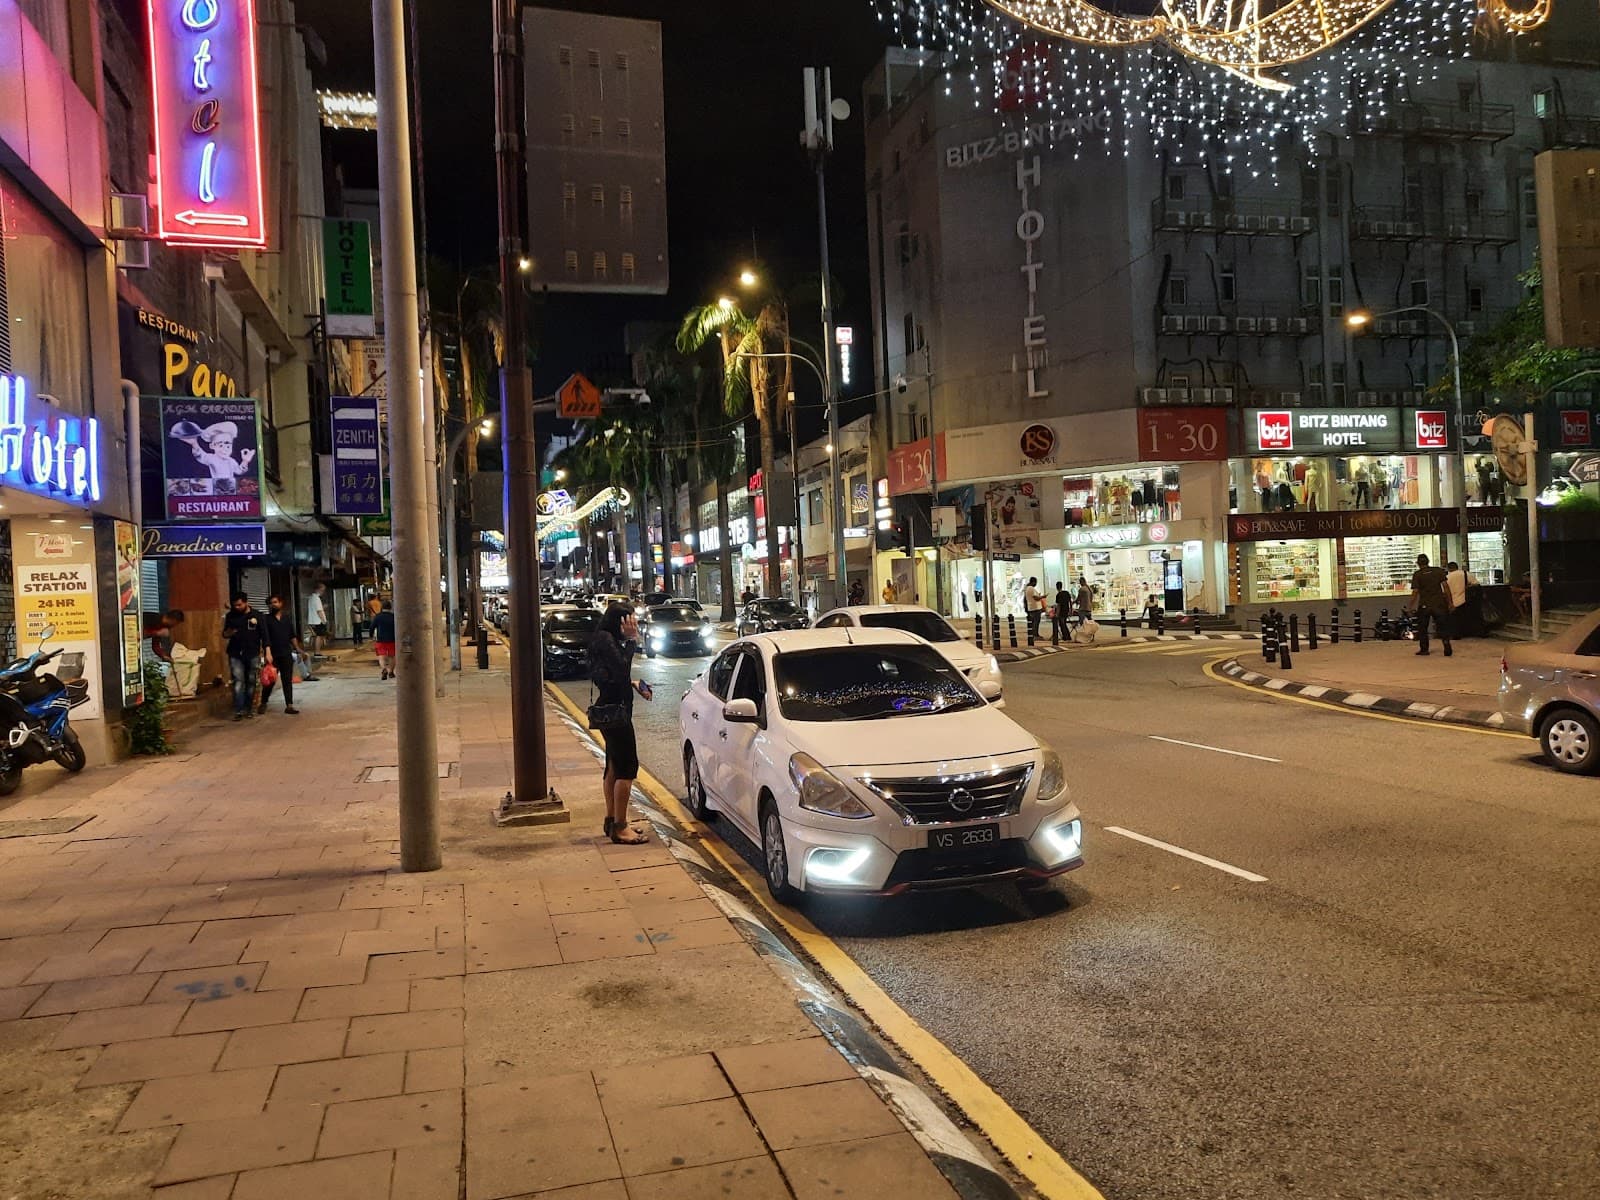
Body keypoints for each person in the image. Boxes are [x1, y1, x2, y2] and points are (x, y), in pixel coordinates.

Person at [587, 605, 651, 845]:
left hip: (612, 706)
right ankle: (621, 827)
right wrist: (632, 641)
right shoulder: (606, 639)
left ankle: (612, 820)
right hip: (616, 713)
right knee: (626, 768)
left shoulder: (603, 638)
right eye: (629, 621)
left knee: (613, 767)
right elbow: (621, 667)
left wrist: (633, 683)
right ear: (620, 621)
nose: (632, 625)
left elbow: (611, 674)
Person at [222, 593, 264, 721]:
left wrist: (266, 651)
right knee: (238, 681)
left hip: (252, 653)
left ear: (246, 602)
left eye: (239, 604)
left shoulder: (257, 615)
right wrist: (229, 633)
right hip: (235, 653)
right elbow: (224, 634)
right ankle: (238, 710)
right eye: (235, 605)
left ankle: (249, 708)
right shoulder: (231, 616)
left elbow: (264, 634)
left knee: (251, 681)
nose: (237, 607)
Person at [259, 595, 303, 715]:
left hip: (286, 653)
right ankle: (263, 702)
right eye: (271, 603)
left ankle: (289, 705)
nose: (273, 605)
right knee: (270, 680)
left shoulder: (286, 618)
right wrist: (267, 652)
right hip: (272, 655)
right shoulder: (266, 619)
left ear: (281, 603)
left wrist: (298, 649)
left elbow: (292, 635)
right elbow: (265, 637)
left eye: (275, 602)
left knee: (287, 680)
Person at [1408, 554, 1452, 657]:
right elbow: (1446, 587)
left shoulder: (1417, 574)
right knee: (1442, 626)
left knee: (1423, 628)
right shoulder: (1438, 571)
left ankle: (1424, 649)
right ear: (1428, 561)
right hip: (1439, 603)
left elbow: (1415, 591)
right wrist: (1450, 602)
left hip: (1425, 605)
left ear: (1418, 563)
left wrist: (1410, 605)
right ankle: (1446, 646)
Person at [145, 609, 187, 696]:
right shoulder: (152, 618)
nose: (174, 626)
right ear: (173, 620)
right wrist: (157, 633)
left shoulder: (162, 626)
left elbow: (155, 645)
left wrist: (163, 655)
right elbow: (137, 633)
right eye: (176, 624)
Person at [304, 583, 328, 680]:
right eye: (322, 590)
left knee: (318, 636)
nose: (323, 592)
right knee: (319, 636)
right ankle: (317, 652)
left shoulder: (311, 598)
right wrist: (324, 620)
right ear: (318, 589)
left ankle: (317, 651)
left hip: (313, 620)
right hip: (318, 620)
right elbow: (319, 611)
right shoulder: (316, 598)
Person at [372, 599, 397, 679]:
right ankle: (391, 671)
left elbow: (372, 627)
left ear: (382, 607)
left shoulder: (378, 617)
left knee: (382, 656)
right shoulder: (394, 617)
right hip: (392, 639)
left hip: (381, 639)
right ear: (390, 607)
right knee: (392, 656)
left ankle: (384, 669)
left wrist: (371, 635)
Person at [1022, 577, 1044, 644]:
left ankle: (1033, 635)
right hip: (1035, 608)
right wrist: (1042, 597)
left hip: (1030, 608)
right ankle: (1035, 635)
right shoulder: (1031, 588)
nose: (1036, 584)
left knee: (1032, 622)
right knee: (1036, 622)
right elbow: (1035, 598)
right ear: (1033, 582)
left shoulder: (1027, 588)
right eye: (1036, 582)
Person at [1051, 581, 1071, 646]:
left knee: (1062, 624)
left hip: (1062, 611)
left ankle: (1065, 637)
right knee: (1064, 623)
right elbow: (1070, 601)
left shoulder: (1058, 595)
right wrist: (1071, 609)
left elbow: (1059, 605)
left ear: (1057, 587)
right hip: (1067, 610)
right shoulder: (1067, 593)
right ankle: (1067, 636)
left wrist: (1057, 613)